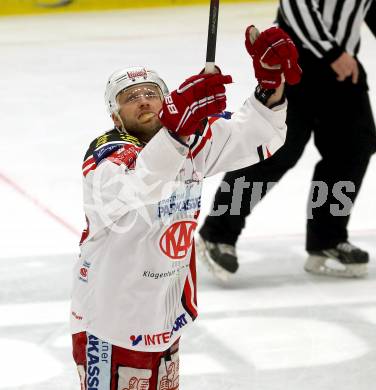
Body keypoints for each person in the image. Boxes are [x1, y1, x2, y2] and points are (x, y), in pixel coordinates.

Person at [70, 24, 301, 390]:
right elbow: (139, 184)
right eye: (130, 97)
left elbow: (253, 134)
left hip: (164, 314)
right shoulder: (106, 154)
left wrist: (269, 85)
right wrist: (176, 131)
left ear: (167, 102)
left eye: (151, 93)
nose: (144, 100)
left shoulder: (188, 142)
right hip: (112, 320)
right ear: (115, 116)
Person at [198, 0, 376, 281]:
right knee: (273, 151)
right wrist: (331, 52)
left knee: (352, 149)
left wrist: (338, 54)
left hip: (344, 66)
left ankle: (327, 240)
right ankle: (217, 233)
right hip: (295, 59)